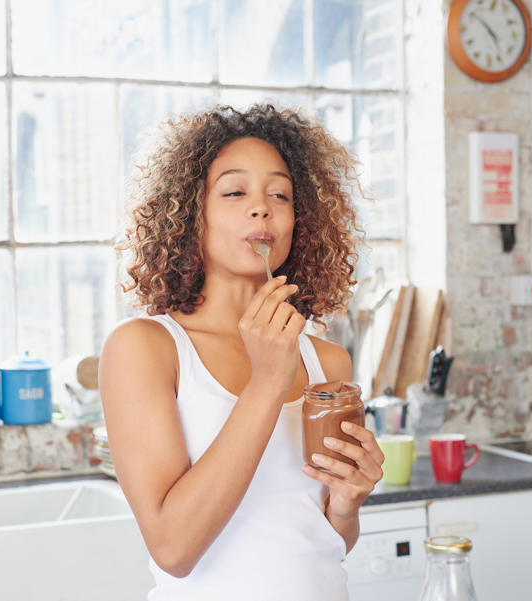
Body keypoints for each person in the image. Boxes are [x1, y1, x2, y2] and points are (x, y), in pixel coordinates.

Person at [99, 103, 384, 600]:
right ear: (191, 215)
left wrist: (346, 505)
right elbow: (173, 548)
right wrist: (269, 381)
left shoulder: (327, 363)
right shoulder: (145, 349)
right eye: (235, 192)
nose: (262, 207)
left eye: (280, 194)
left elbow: (323, 542)